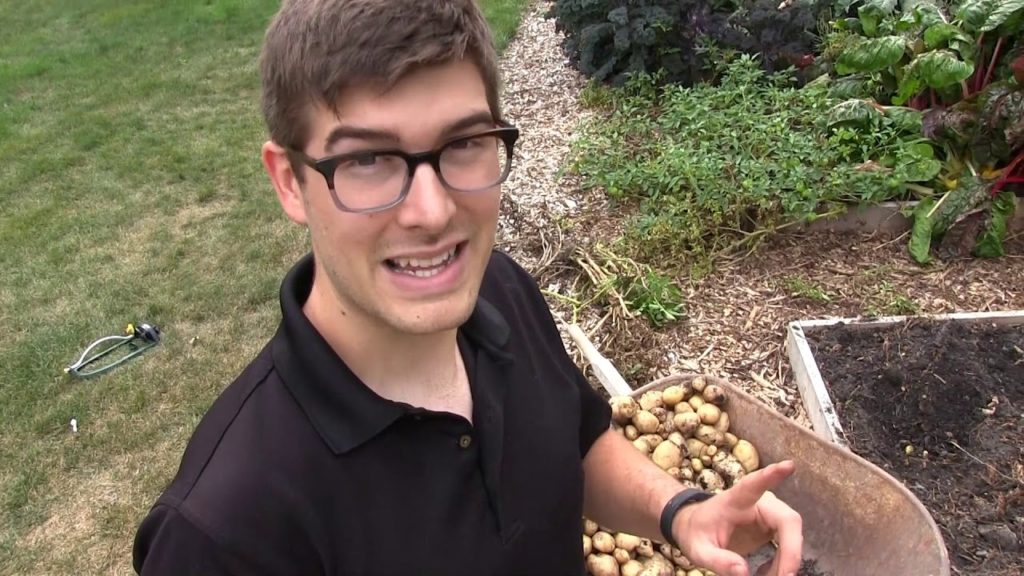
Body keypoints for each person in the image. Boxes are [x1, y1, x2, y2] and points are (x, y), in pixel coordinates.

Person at [132, 1, 803, 574]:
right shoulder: (223, 532)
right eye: (368, 159)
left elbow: (575, 442)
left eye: (463, 144)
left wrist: (681, 513)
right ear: (290, 182)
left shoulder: (501, 293)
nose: (432, 211)